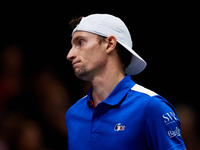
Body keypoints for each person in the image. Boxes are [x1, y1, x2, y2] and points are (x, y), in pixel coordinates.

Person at [65, 14, 186, 150]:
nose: (70, 55)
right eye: (72, 45)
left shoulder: (151, 106)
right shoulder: (73, 114)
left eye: (80, 42)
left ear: (110, 44)